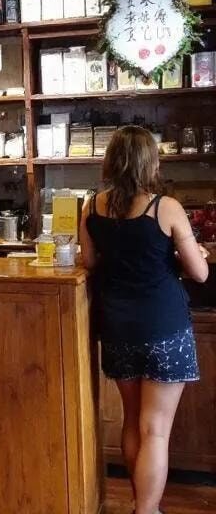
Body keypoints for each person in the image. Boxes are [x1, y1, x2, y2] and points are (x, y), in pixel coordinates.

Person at [79, 125, 210, 514]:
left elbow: (89, 262)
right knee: (156, 429)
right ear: (149, 162)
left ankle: (142, 504)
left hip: (118, 327)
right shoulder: (164, 207)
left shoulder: (92, 206)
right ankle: (147, 510)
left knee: (134, 422)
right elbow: (199, 274)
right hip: (164, 328)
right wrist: (190, 253)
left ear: (111, 161)